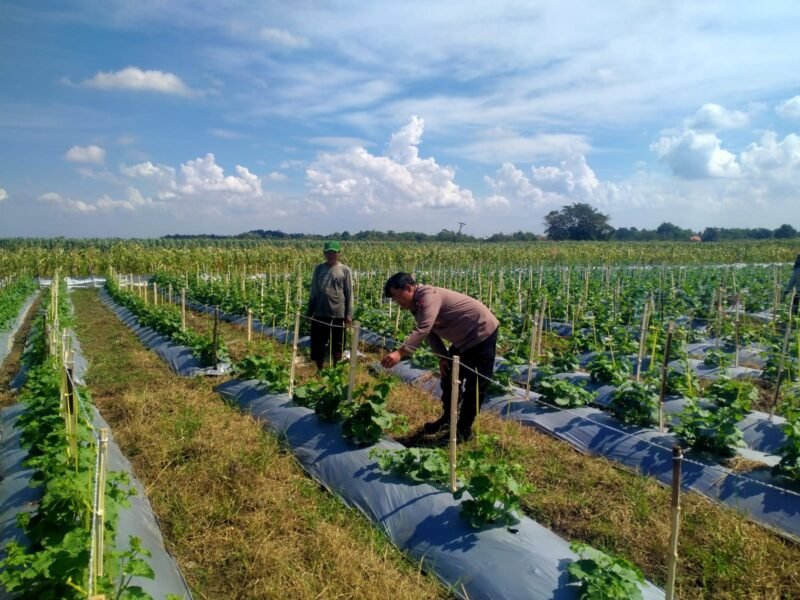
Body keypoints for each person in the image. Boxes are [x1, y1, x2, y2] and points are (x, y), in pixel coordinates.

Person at [380, 272, 499, 442]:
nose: (396, 302)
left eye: (397, 296)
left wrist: (400, 352)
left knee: (475, 386)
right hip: (462, 340)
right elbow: (431, 333)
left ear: (408, 288)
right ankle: (448, 419)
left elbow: (424, 328)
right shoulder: (416, 305)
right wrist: (443, 357)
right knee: (449, 377)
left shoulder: (428, 296)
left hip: (482, 333)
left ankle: (463, 431)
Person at [306, 241, 353, 371]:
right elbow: (314, 291)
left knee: (338, 344)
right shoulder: (319, 269)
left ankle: (336, 370)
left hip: (338, 314)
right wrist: (309, 311)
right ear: (324, 254)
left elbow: (349, 293)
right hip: (320, 313)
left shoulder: (345, 270)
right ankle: (320, 370)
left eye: (334, 253)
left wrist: (349, 315)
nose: (331, 255)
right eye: (328, 253)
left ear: (339, 253)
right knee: (318, 344)